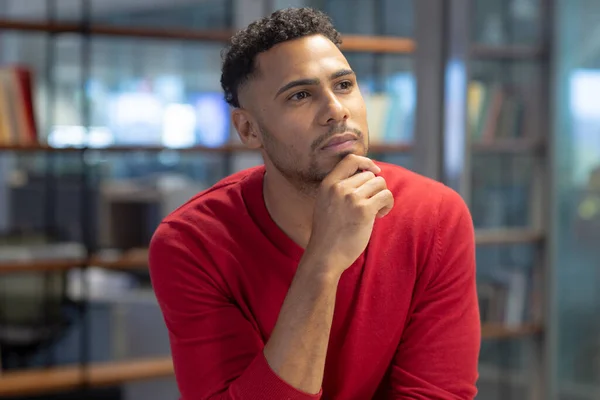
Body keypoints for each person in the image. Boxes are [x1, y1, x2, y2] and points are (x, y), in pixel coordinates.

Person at [148, 7, 480, 400]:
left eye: (343, 85)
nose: (337, 110)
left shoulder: (434, 214)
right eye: (301, 95)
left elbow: (436, 394)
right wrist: (323, 262)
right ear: (248, 129)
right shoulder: (191, 243)